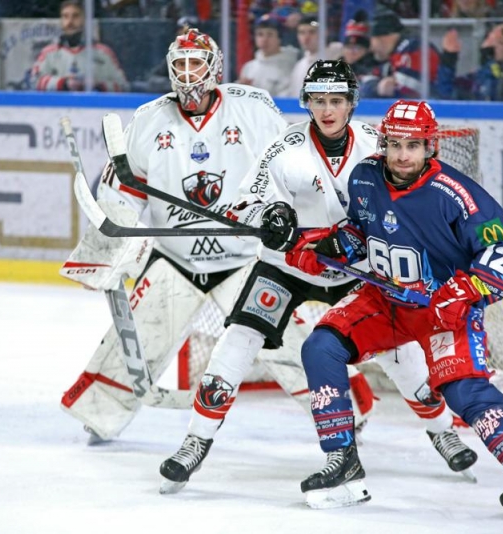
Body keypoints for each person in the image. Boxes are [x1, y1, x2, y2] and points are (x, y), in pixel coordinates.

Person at [158, 60, 477, 495]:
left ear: (351, 103)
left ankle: (442, 431)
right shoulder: (283, 147)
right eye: (319, 100)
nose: (327, 110)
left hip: (357, 266)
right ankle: (195, 441)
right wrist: (270, 216)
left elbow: (405, 201)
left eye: (337, 100)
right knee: (239, 340)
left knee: (398, 352)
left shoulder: (375, 145)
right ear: (306, 102)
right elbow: (245, 205)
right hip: (287, 264)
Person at [277, 100, 503, 518]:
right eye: (395, 144)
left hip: (443, 309)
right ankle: (342, 461)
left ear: (430, 146)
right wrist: (323, 246)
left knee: (463, 390)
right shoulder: (364, 178)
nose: (402, 155)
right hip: (385, 301)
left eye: (413, 145)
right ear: (383, 143)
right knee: (321, 347)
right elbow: (361, 231)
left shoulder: (456, 195)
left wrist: (467, 289)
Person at [59, 29, 289, 444]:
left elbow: (285, 171)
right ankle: (100, 413)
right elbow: (122, 194)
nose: (186, 74)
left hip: (244, 260)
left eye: (194, 64)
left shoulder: (253, 110)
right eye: (179, 64)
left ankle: (344, 407)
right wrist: (112, 253)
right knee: (139, 336)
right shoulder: (148, 119)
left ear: (214, 67)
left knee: (287, 337)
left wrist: (282, 216)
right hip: (176, 259)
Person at [29, 0, 129, 92]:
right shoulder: (49, 53)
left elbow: (123, 86)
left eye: (75, 16)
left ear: (84, 20)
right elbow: (33, 82)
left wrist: (97, 85)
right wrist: (63, 83)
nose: (70, 22)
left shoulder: (103, 53)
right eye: (65, 16)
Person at [360, 6, 440, 99]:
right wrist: (377, 87)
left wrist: (385, 87)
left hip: (438, 109)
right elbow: (364, 83)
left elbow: (407, 93)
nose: (371, 48)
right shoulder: (394, 54)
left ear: (383, 38)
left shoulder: (413, 48)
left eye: (372, 41)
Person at [436, 23, 503, 101]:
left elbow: (496, 96)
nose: (491, 44)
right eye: (490, 38)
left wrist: (488, 61)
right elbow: (447, 94)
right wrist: (449, 58)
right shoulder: (477, 78)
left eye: (500, 42)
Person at [236, 13, 298, 96]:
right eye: (260, 34)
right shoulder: (249, 67)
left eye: (270, 34)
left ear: (279, 38)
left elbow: (287, 99)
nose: (264, 39)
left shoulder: (290, 65)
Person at [284, 15, 321, 97]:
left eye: (312, 32)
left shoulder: (335, 59)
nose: (306, 37)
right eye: (302, 33)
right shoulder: (299, 66)